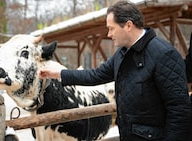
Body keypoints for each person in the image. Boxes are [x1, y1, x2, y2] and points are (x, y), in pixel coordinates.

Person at [38, 1, 191, 141]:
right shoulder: (122, 53)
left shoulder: (164, 54)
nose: (109, 34)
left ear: (128, 25)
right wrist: (59, 74)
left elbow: (179, 110)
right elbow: (95, 75)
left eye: (111, 29)